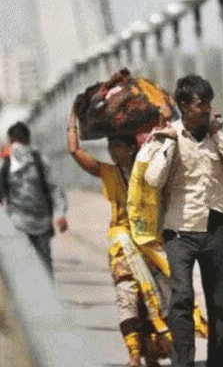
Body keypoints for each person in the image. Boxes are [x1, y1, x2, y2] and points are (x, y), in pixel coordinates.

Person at [143, 74, 223, 367]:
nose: (206, 110)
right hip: (180, 229)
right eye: (200, 104)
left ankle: (216, 362)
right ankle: (183, 363)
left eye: (208, 103)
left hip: (216, 227)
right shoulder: (168, 136)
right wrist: (167, 144)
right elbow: (153, 179)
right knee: (181, 298)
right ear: (183, 106)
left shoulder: (222, 133)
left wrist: (220, 136)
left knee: (220, 304)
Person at [67, 115, 172, 367]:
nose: (113, 152)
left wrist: (165, 121)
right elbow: (74, 150)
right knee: (127, 297)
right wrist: (72, 124)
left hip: (152, 246)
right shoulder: (107, 172)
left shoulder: (150, 171)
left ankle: (151, 353)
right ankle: (133, 354)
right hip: (122, 248)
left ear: (131, 147)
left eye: (117, 146)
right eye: (110, 147)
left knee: (155, 299)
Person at [0, 121, 68, 277]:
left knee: (44, 264)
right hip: (17, 221)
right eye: (14, 142)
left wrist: (60, 214)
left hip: (41, 222)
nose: (18, 146)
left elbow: (54, 188)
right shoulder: (5, 164)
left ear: (28, 141)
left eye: (20, 141)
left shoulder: (40, 162)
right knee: (20, 264)